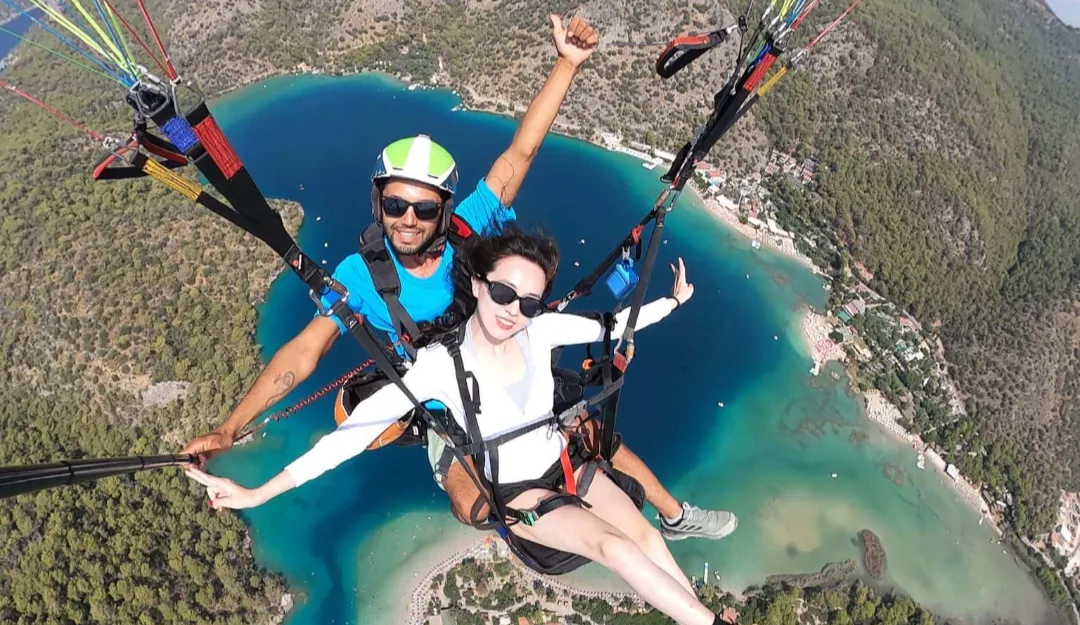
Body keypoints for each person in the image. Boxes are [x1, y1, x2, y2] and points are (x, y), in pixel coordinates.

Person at [185, 228, 813, 625]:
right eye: (505, 292)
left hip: (567, 467)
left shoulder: (539, 332)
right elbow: (343, 442)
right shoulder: (437, 366)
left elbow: (610, 324)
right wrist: (257, 491)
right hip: (524, 496)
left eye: (530, 299)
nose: (515, 309)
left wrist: (671, 304)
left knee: (648, 538)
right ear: (480, 285)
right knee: (616, 546)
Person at [181, 14, 735, 542]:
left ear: (444, 211)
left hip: (507, 363)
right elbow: (303, 354)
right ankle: (557, 524)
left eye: (423, 210)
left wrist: (566, 64)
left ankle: (673, 514)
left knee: (596, 438)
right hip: (447, 400)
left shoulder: (470, 229)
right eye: (396, 205)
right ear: (379, 204)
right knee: (473, 502)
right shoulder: (361, 276)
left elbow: (521, 153)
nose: (407, 220)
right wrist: (231, 429)